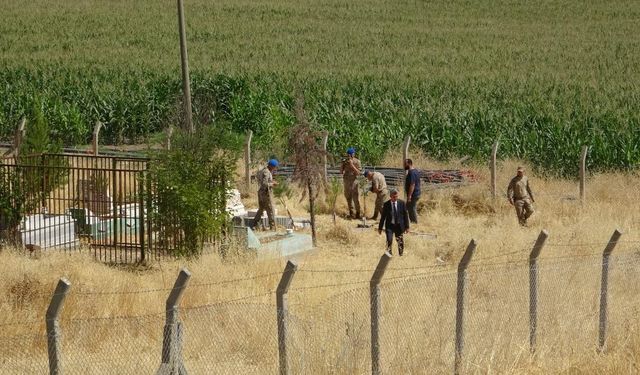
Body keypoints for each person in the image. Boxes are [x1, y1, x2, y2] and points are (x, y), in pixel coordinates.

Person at [378, 189, 410, 256]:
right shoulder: (386, 204)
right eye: (394, 197)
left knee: (400, 241)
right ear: (390, 196)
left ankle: (401, 254)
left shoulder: (402, 203)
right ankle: (388, 255)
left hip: (399, 225)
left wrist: (407, 227)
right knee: (389, 240)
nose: (395, 198)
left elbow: (405, 215)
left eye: (396, 196)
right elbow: (383, 217)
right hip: (390, 225)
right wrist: (380, 228)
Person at [252, 159, 279, 230]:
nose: (275, 168)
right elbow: (264, 184)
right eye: (275, 167)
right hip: (265, 193)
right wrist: (273, 184)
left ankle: (255, 224)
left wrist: (271, 181)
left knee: (261, 209)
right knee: (270, 210)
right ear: (272, 166)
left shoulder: (263, 170)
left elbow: (262, 181)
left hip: (261, 193)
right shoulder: (266, 172)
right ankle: (272, 227)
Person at [341, 147, 361, 219]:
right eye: (348, 154)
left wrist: (352, 165)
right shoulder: (345, 161)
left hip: (354, 181)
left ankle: (358, 213)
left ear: (353, 154)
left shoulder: (357, 161)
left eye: (351, 154)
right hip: (346, 181)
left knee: (355, 198)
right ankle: (351, 213)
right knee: (348, 197)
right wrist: (342, 164)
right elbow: (341, 172)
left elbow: (358, 173)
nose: (349, 155)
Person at [404, 159, 421, 224]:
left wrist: (409, 196)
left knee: (411, 208)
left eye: (405, 164)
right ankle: (411, 222)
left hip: (413, 194)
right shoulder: (416, 171)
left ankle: (414, 223)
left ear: (409, 164)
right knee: (408, 207)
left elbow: (412, 184)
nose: (404, 166)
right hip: (416, 193)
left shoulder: (412, 172)